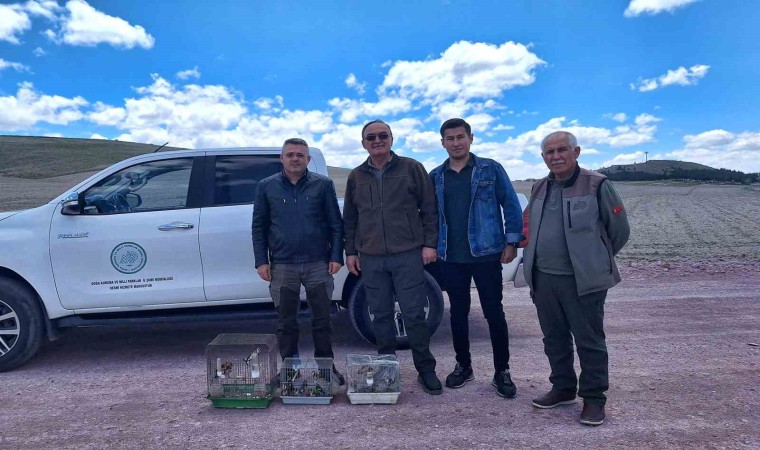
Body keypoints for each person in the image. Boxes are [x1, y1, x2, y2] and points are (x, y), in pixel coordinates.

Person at [523, 131, 630, 426]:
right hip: (543, 278)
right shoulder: (539, 186)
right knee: (554, 338)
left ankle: (594, 398)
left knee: (589, 340)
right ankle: (563, 388)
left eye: (562, 150)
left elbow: (619, 230)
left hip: (582, 281)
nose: (556, 156)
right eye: (549, 152)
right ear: (543, 157)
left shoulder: (597, 184)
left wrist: (594, 260)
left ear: (576, 152)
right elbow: (530, 227)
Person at [343, 119, 443, 395]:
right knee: (381, 315)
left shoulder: (411, 168)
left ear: (391, 138)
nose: (377, 140)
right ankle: (387, 371)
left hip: (407, 254)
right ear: (363, 143)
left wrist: (429, 244)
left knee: (414, 314)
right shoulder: (356, 176)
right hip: (371, 257)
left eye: (382, 135)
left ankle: (426, 370)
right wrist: (351, 251)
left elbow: (429, 209)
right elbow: (350, 218)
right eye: (371, 137)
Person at [429, 118, 524, 398]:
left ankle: (502, 371)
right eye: (450, 138)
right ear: (442, 143)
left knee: (493, 312)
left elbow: (510, 204)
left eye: (461, 137)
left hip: (486, 254)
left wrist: (512, 242)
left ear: (471, 138)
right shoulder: (436, 176)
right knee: (458, 313)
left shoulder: (490, 169)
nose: (456, 143)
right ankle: (464, 366)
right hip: (451, 256)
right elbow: (430, 215)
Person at [252, 137, 345, 384]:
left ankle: (325, 368)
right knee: (286, 323)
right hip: (282, 265)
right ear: (281, 158)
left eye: (300, 155)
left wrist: (336, 255)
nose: (295, 159)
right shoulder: (266, 186)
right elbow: (259, 227)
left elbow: (336, 224)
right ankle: (290, 369)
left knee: (322, 321)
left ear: (308, 159)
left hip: (318, 264)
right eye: (290, 154)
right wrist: (261, 260)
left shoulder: (323, 185)